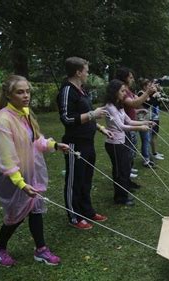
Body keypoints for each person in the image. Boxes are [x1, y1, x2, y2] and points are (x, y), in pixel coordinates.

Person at [0, 75, 70, 267]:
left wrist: (54, 145)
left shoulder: (24, 112)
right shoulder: (2, 121)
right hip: (11, 177)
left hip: (28, 172)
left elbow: (35, 139)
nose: (26, 96)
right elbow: (6, 158)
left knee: (35, 209)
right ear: (9, 95)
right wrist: (21, 183)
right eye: (20, 92)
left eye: (27, 91)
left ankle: (41, 249)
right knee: (15, 214)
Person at [57, 57, 111, 230]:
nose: (88, 74)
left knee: (86, 179)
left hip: (88, 143)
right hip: (74, 144)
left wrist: (100, 128)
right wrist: (92, 114)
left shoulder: (82, 90)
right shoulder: (67, 90)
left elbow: (87, 115)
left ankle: (87, 211)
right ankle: (74, 216)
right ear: (78, 72)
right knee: (74, 181)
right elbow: (66, 118)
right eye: (86, 71)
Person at [104, 79, 152, 206]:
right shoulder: (110, 107)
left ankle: (123, 194)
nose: (124, 93)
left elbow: (129, 121)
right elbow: (122, 126)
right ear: (115, 92)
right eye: (122, 91)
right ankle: (120, 198)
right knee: (120, 171)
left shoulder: (119, 106)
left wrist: (145, 122)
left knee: (125, 169)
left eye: (125, 90)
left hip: (121, 142)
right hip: (113, 144)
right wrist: (140, 128)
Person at [115, 67, 156, 169]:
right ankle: (127, 170)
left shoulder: (128, 90)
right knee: (128, 149)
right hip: (126, 124)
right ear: (124, 78)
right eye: (130, 77)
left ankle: (129, 169)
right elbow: (133, 103)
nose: (133, 79)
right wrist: (147, 93)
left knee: (132, 147)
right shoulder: (122, 91)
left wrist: (152, 94)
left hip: (130, 122)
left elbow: (138, 103)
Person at [137, 78, 164, 161]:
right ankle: (146, 159)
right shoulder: (141, 93)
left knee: (147, 138)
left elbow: (153, 104)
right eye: (149, 86)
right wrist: (153, 95)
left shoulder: (146, 94)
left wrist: (158, 97)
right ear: (144, 86)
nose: (150, 87)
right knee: (146, 140)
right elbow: (147, 105)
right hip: (142, 120)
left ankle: (148, 156)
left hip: (147, 119)